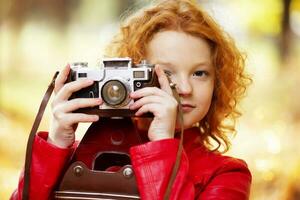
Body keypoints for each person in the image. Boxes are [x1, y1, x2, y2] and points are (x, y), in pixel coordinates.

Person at [11, 0, 252, 199]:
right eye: (166, 73)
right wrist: (56, 144)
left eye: (200, 73)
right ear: (129, 76)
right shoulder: (80, 155)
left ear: (217, 83)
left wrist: (161, 147)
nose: (186, 88)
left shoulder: (228, 174)